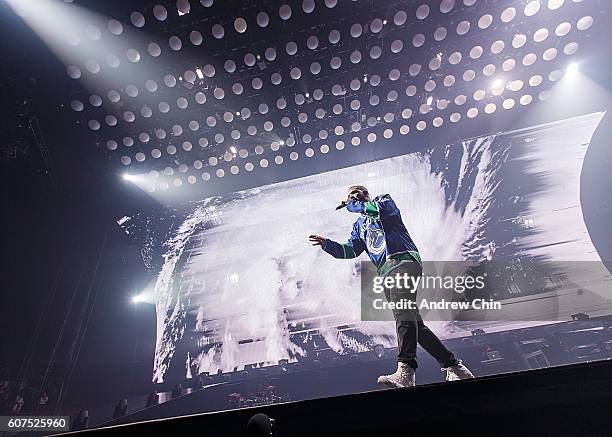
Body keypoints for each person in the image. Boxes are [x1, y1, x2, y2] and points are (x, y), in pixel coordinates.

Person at [309, 185, 474, 388]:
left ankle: (406, 370)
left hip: (403, 260)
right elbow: (350, 251)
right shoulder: (358, 227)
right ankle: (455, 367)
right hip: (386, 272)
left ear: (366, 194)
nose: (353, 196)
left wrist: (352, 204)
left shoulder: (383, 202)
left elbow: (373, 210)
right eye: (350, 195)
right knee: (415, 324)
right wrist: (327, 244)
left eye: (357, 192)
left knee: (402, 313)